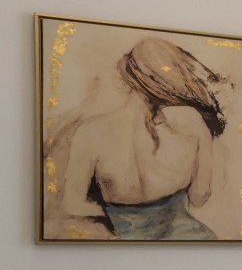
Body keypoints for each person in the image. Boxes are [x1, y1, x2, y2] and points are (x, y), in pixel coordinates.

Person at [56, 37, 231, 240]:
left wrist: (117, 228)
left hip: (121, 241)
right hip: (184, 239)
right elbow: (200, 196)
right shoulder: (192, 123)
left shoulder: (91, 131)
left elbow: (72, 203)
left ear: (125, 74)